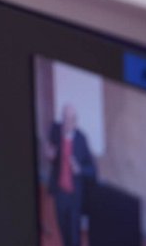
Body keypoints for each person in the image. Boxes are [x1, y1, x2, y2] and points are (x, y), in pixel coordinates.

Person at [46, 104, 97, 246]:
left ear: (75, 122)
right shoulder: (55, 130)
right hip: (60, 193)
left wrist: (80, 169)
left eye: (70, 119)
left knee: (75, 238)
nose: (66, 123)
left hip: (75, 197)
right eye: (64, 118)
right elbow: (51, 150)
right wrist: (50, 155)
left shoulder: (81, 139)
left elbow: (93, 170)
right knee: (63, 233)